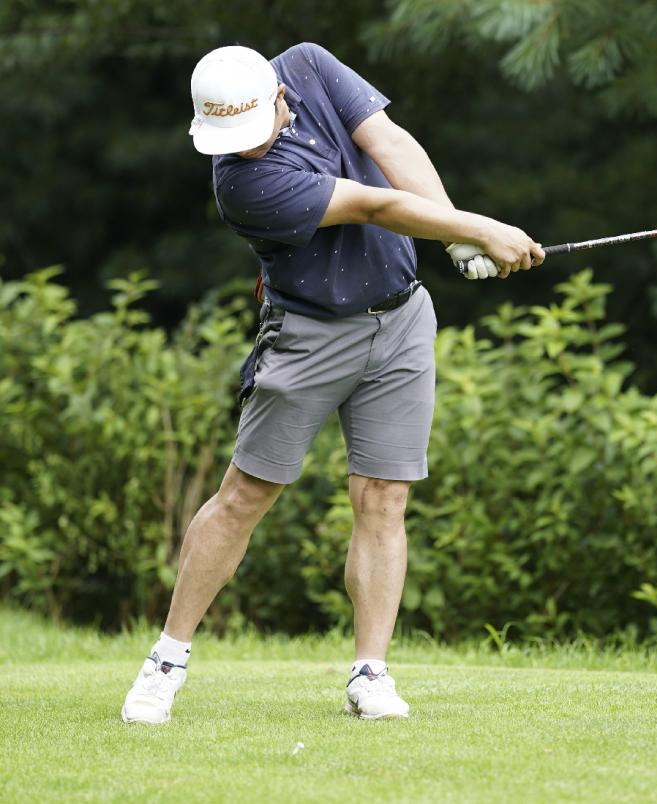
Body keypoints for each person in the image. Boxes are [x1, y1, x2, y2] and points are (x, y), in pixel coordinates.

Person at [121, 43, 544, 724]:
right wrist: (480, 229)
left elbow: (390, 142)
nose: (244, 148)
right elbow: (374, 206)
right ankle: (166, 662)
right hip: (308, 335)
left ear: (278, 96)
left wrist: (458, 237)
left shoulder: (310, 66)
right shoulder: (243, 185)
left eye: (251, 130)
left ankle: (370, 674)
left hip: (401, 319)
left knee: (385, 498)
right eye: (230, 140)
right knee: (245, 495)